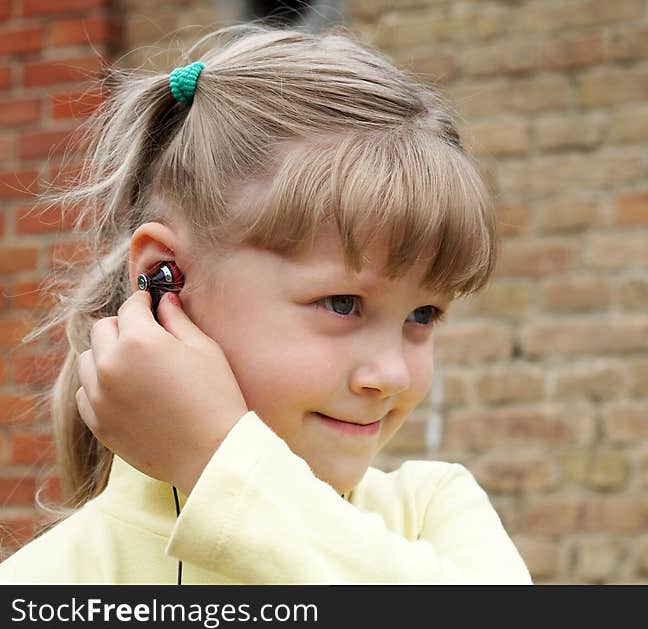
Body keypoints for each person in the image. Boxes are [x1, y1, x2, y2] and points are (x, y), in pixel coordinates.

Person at [0, 22, 532, 584]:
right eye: (343, 303)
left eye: (422, 315)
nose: (391, 374)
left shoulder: (434, 515)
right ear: (165, 277)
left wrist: (220, 462)